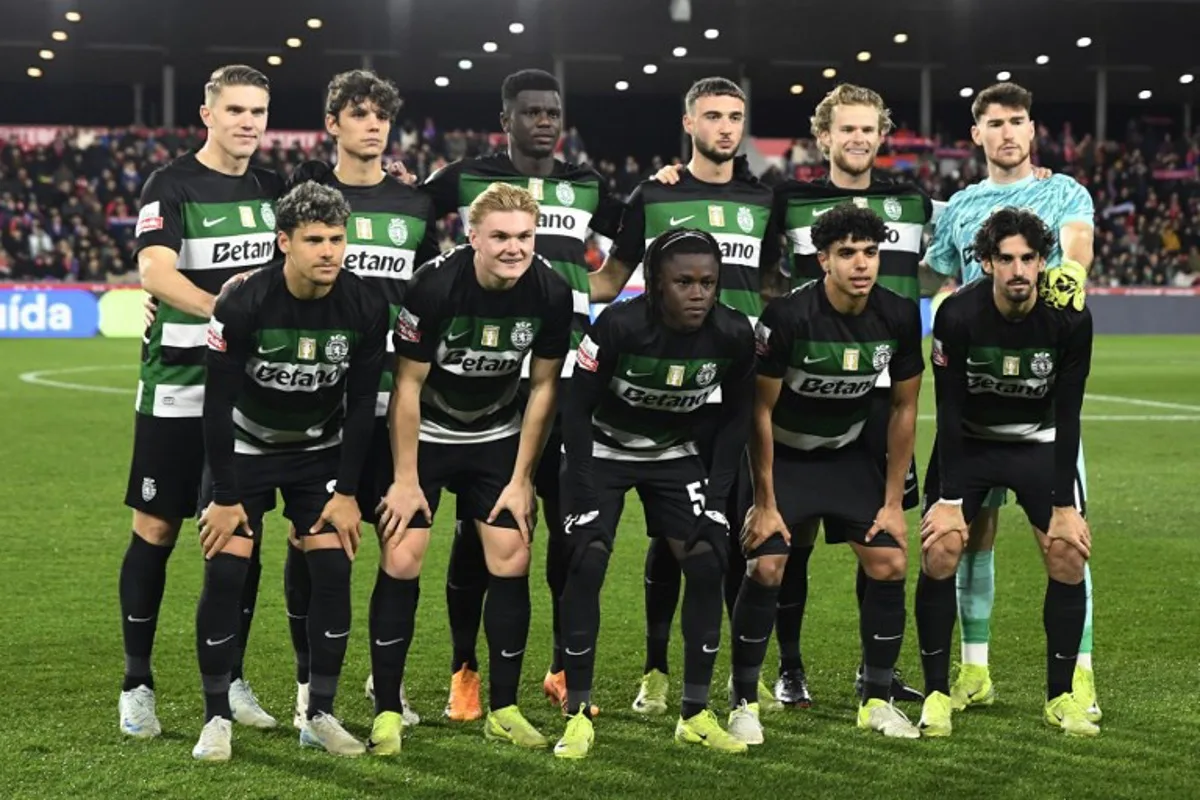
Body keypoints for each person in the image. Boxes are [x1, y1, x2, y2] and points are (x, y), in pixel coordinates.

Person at [413, 68, 623, 721]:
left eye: (553, 111)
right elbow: (413, 215)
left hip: (568, 379)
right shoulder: (466, 176)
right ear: (505, 119)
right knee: (483, 531)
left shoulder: (586, 182)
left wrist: (598, 289)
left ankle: (562, 668)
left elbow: (637, 233)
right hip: (496, 381)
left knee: (570, 530)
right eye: (531, 111)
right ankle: (464, 670)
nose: (544, 121)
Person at [589, 75, 781, 715]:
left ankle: (741, 681)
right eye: (713, 116)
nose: (726, 127)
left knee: (728, 535)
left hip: (734, 389)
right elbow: (612, 278)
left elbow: (776, 281)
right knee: (673, 543)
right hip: (664, 394)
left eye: (736, 116)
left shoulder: (764, 197)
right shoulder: (653, 194)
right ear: (689, 123)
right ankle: (654, 670)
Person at [369, 182, 573, 754]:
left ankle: (503, 708)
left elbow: (543, 387)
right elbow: (406, 385)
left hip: (496, 437)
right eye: (502, 237)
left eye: (525, 237)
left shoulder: (552, 291)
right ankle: (387, 709)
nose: (515, 248)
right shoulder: (434, 286)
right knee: (403, 553)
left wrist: (521, 478)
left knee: (512, 555)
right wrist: (406, 480)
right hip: (428, 434)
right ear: (473, 236)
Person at [191, 181, 386, 761]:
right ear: (284, 243)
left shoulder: (365, 304)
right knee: (226, 572)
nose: (330, 251)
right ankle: (215, 716)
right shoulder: (244, 302)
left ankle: (318, 712)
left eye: (337, 239)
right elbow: (215, 404)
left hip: (317, 457)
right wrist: (224, 496)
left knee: (332, 567)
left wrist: (349, 492)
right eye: (315, 240)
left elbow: (360, 408)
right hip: (243, 453)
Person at [924, 82, 1099, 721]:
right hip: (975, 393)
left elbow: (1078, 245)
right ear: (977, 135)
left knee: (1068, 536)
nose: (1007, 132)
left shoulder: (1062, 191)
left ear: (1032, 130)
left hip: (1040, 395)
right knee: (970, 538)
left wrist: (1068, 278)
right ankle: (974, 670)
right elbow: (934, 273)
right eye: (994, 122)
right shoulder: (961, 206)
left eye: (1018, 121)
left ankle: (1079, 677)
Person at [118, 64, 282, 739]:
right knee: (156, 530)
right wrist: (225, 311)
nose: (248, 121)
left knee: (243, 533)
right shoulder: (172, 183)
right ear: (207, 114)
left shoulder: (275, 192)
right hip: (178, 389)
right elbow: (154, 269)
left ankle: (233, 677)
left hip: (249, 397)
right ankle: (137, 682)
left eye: (259, 111)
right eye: (236, 109)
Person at [554, 229, 756, 758]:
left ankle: (693, 713)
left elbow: (737, 420)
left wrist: (716, 502)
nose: (698, 294)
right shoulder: (618, 326)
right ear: (654, 284)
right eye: (683, 282)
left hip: (672, 451)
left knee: (710, 559)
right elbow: (574, 410)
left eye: (708, 283)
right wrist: (580, 492)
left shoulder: (733, 333)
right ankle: (577, 714)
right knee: (588, 559)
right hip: (602, 450)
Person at [284, 69, 441, 731]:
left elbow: (433, 290)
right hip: (320, 408)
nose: (372, 125)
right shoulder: (299, 199)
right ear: (334, 123)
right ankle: (306, 684)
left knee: (403, 551)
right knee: (315, 545)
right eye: (358, 113)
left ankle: (388, 688)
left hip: (396, 405)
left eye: (382, 115)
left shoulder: (415, 207)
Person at [766, 83, 931, 707]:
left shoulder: (912, 201)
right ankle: (790, 667)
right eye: (847, 129)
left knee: (881, 537)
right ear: (824, 136)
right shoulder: (790, 199)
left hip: (881, 398)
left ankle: (875, 672)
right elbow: (759, 270)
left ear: (882, 135)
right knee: (794, 539)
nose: (858, 139)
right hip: (809, 387)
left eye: (869, 129)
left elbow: (947, 253)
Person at [739, 205, 924, 742]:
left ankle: (877, 699)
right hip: (787, 458)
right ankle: (743, 699)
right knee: (768, 568)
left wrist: (892, 503)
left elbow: (903, 409)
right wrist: (766, 501)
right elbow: (760, 413)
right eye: (847, 253)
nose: (861, 264)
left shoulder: (898, 314)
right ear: (823, 259)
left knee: (888, 560)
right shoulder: (787, 318)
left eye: (870, 252)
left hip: (845, 455)